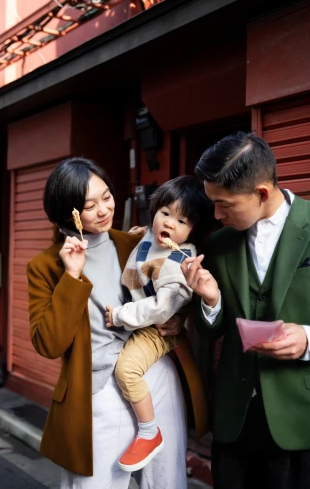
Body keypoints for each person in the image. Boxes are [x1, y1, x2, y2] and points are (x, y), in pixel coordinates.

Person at [26, 157, 207, 489]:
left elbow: (172, 288)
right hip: (96, 394)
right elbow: (48, 344)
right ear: (68, 212)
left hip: (155, 376)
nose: (103, 210)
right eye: (89, 205)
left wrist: (178, 317)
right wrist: (71, 276)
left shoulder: (134, 244)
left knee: (166, 482)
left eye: (106, 197)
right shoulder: (46, 265)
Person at [181, 131, 310, 489]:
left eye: (226, 204)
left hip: (301, 417)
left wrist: (308, 339)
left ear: (262, 193)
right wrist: (210, 301)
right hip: (235, 417)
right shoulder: (220, 243)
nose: (217, 214)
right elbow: (211, 330)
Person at [105, 176, 214, 472]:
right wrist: (139, 234)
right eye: (164, 213)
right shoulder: (147, 239)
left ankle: (149, 431)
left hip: (156, 329)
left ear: (193, 230)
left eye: (181, 220)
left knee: (127, 369)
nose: (168, 224)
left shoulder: (180, 262)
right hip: (139, 322)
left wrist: (119, 316)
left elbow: (160, 309)